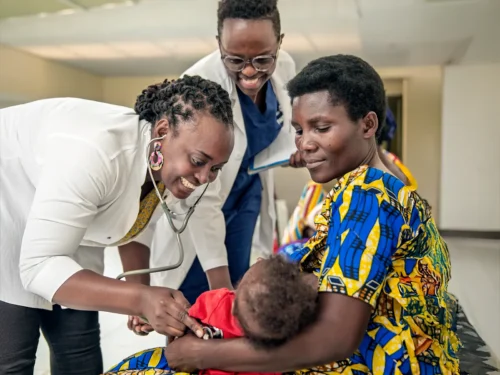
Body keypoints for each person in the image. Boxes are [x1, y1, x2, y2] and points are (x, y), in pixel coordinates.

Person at [164, 55, 462, 375]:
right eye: (299, 129)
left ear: (368, 124)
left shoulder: (366, 196)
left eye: (321, 128)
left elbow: (334, 338)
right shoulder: (386, 188)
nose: (304, 143)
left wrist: (202, 354)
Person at [0, 75, 234, 375]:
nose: (204, 178)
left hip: (66, 216)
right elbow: (40, 266)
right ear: (162, 131)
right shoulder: (96, 152)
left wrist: (140, 294)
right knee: (14, 355)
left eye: (216, 168)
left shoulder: (172, 163)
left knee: (78, 348)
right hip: (7, 193)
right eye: (199, 161)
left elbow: (132, 219)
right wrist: (140, 300)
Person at [143, 0, 301, 318]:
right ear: (219, 44)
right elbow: (200, 195)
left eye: (262, 59)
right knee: (199, 302)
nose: (249, 71)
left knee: (239, 279)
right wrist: (221, 292)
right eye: (235, 59)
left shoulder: (285, 66)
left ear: (280, 43)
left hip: (246, 193)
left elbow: (277, 129)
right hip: (197, 197)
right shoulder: (197, 86)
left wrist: (290, 150)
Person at [104, 255, 318, 375]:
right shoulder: (276, 350)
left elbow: (183, 321)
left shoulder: (218, 303)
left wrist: (153, 320)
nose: (260, 258)